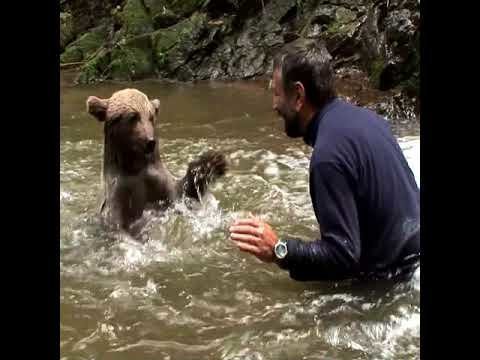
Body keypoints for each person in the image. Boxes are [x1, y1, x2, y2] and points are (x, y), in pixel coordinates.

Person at [228, 39, 420, 282]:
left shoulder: (328, 158)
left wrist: (279, 249)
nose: (274, 104)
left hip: (396, 285)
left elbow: (343, 257)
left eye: (276, 93)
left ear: (298, 95)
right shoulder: (370, 120)